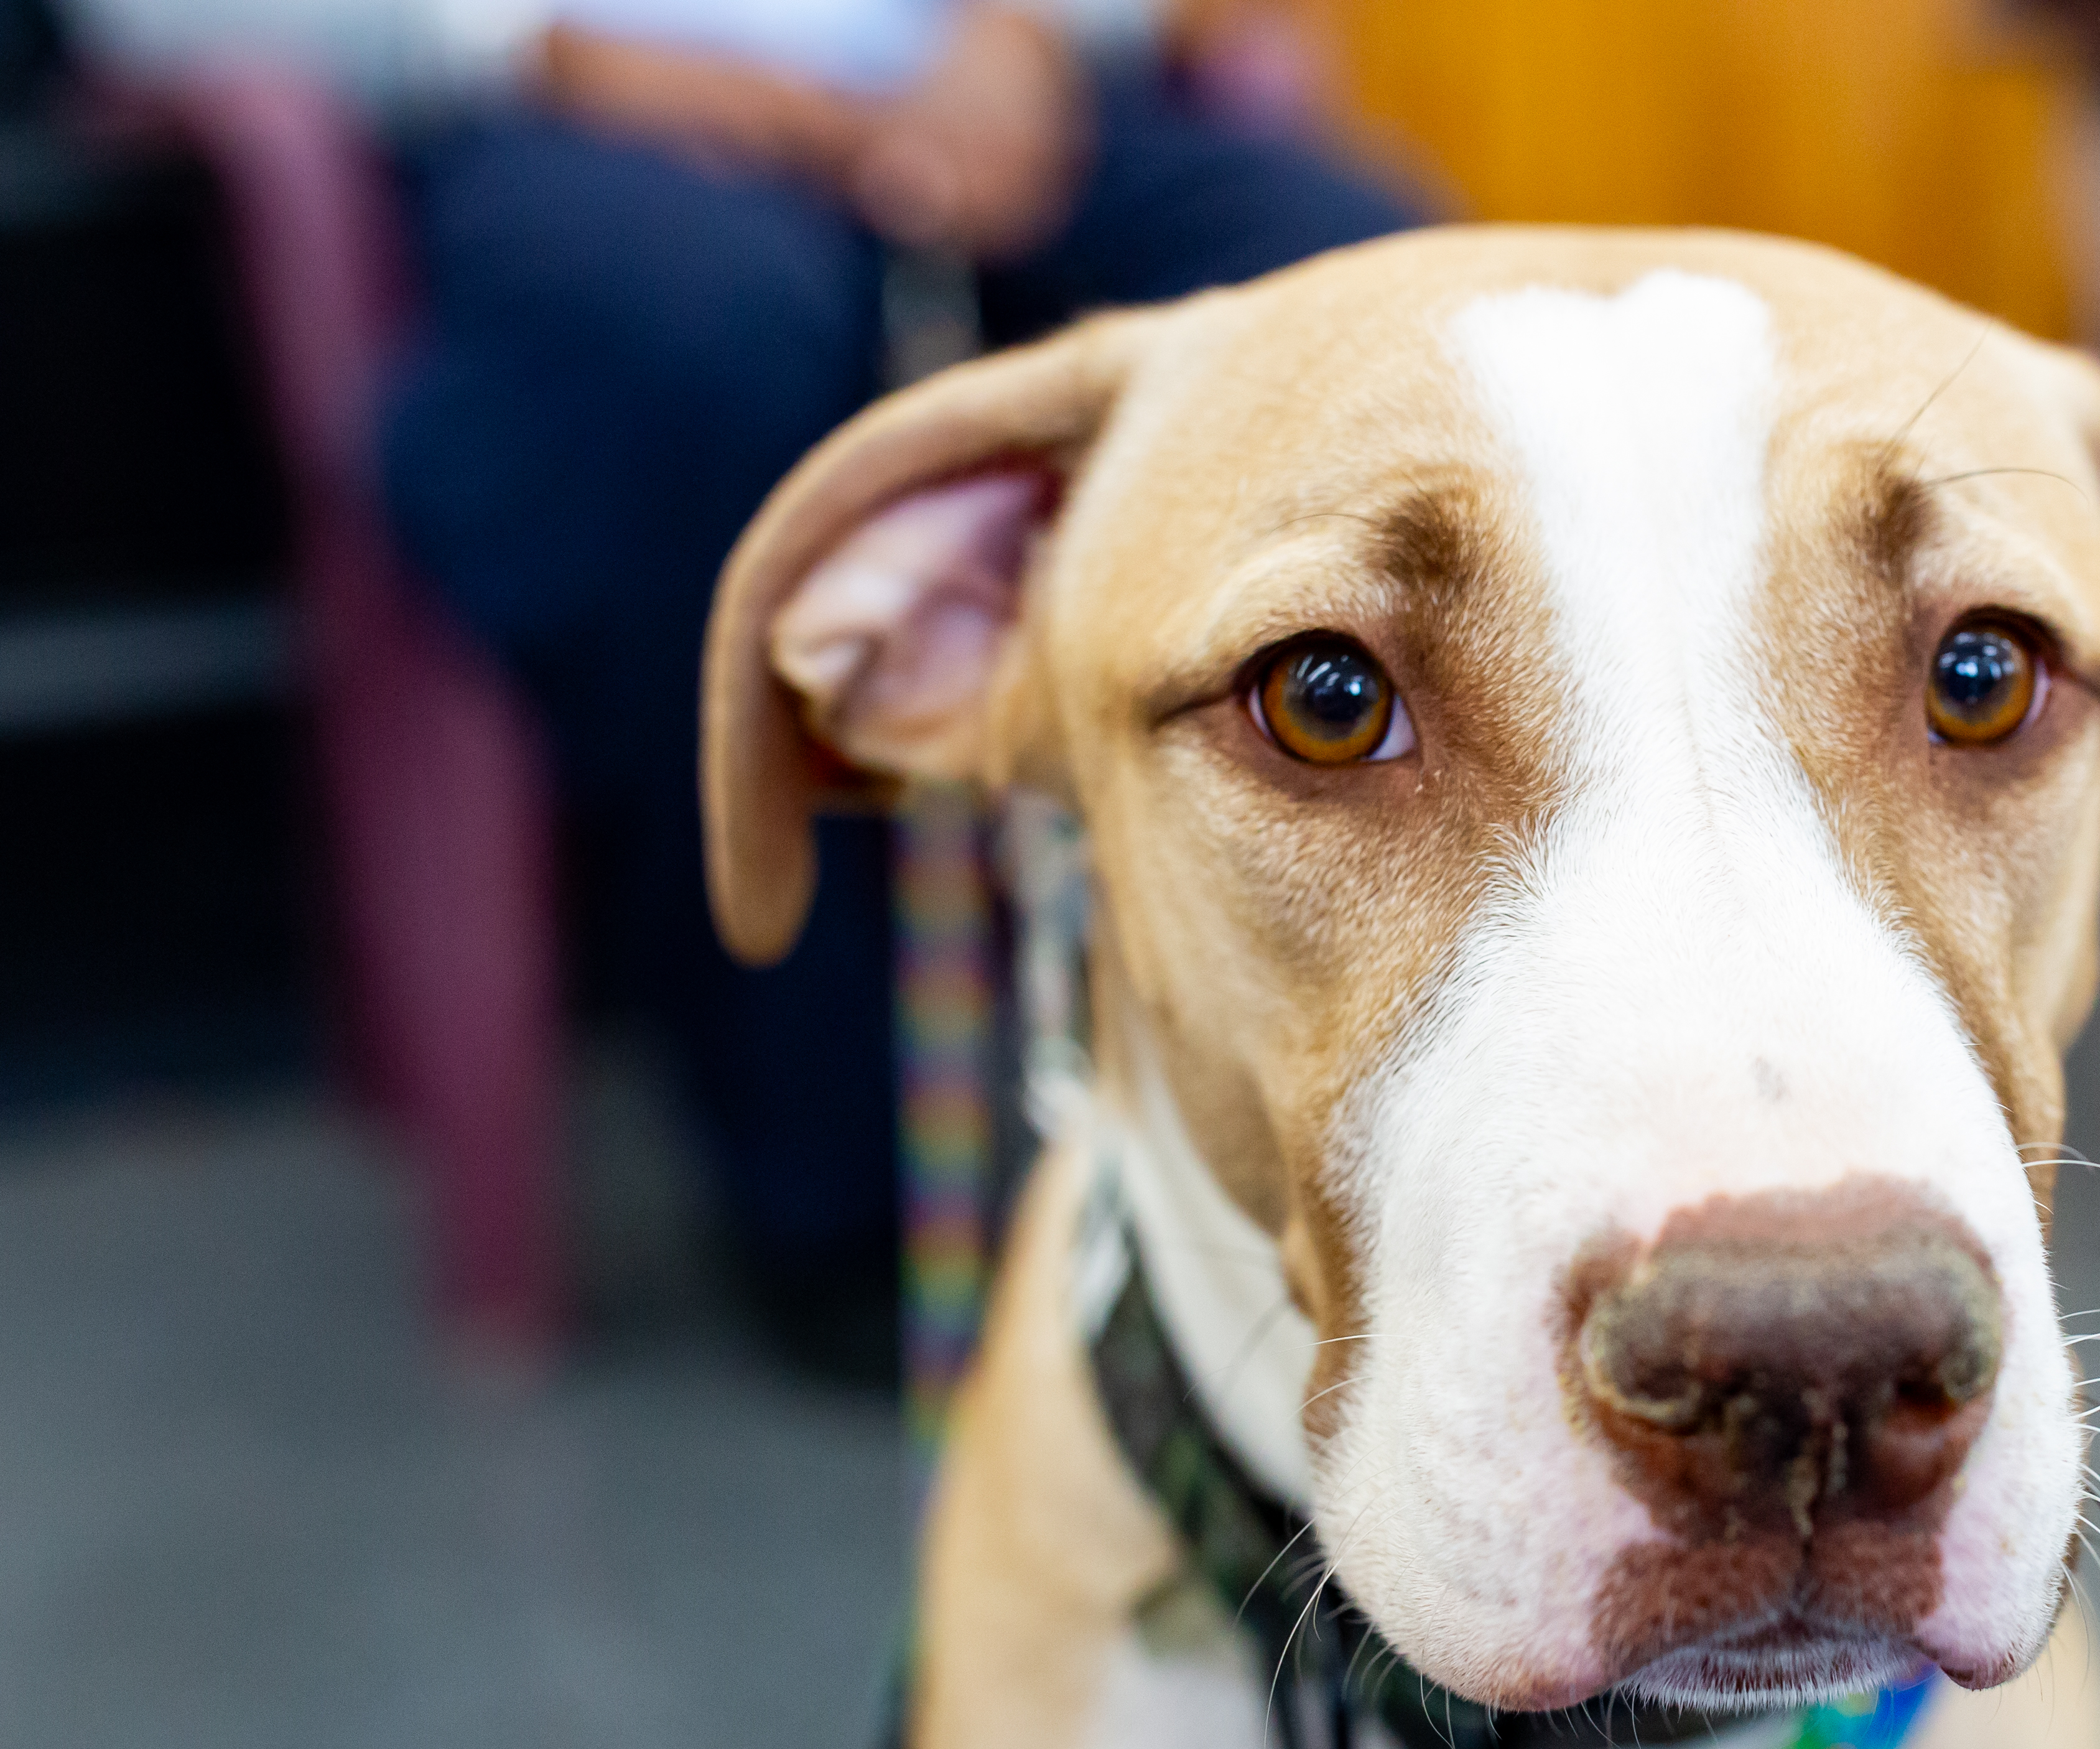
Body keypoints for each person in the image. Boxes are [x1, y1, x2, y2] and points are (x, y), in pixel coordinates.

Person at [76, 0, 1410, 1370]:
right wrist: (546, 49)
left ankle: (1391, 1102)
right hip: (579, 125)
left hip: (980, 91)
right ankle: (838, 1180)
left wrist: (1028, 34)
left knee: (1363, 298)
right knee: (703, 358)